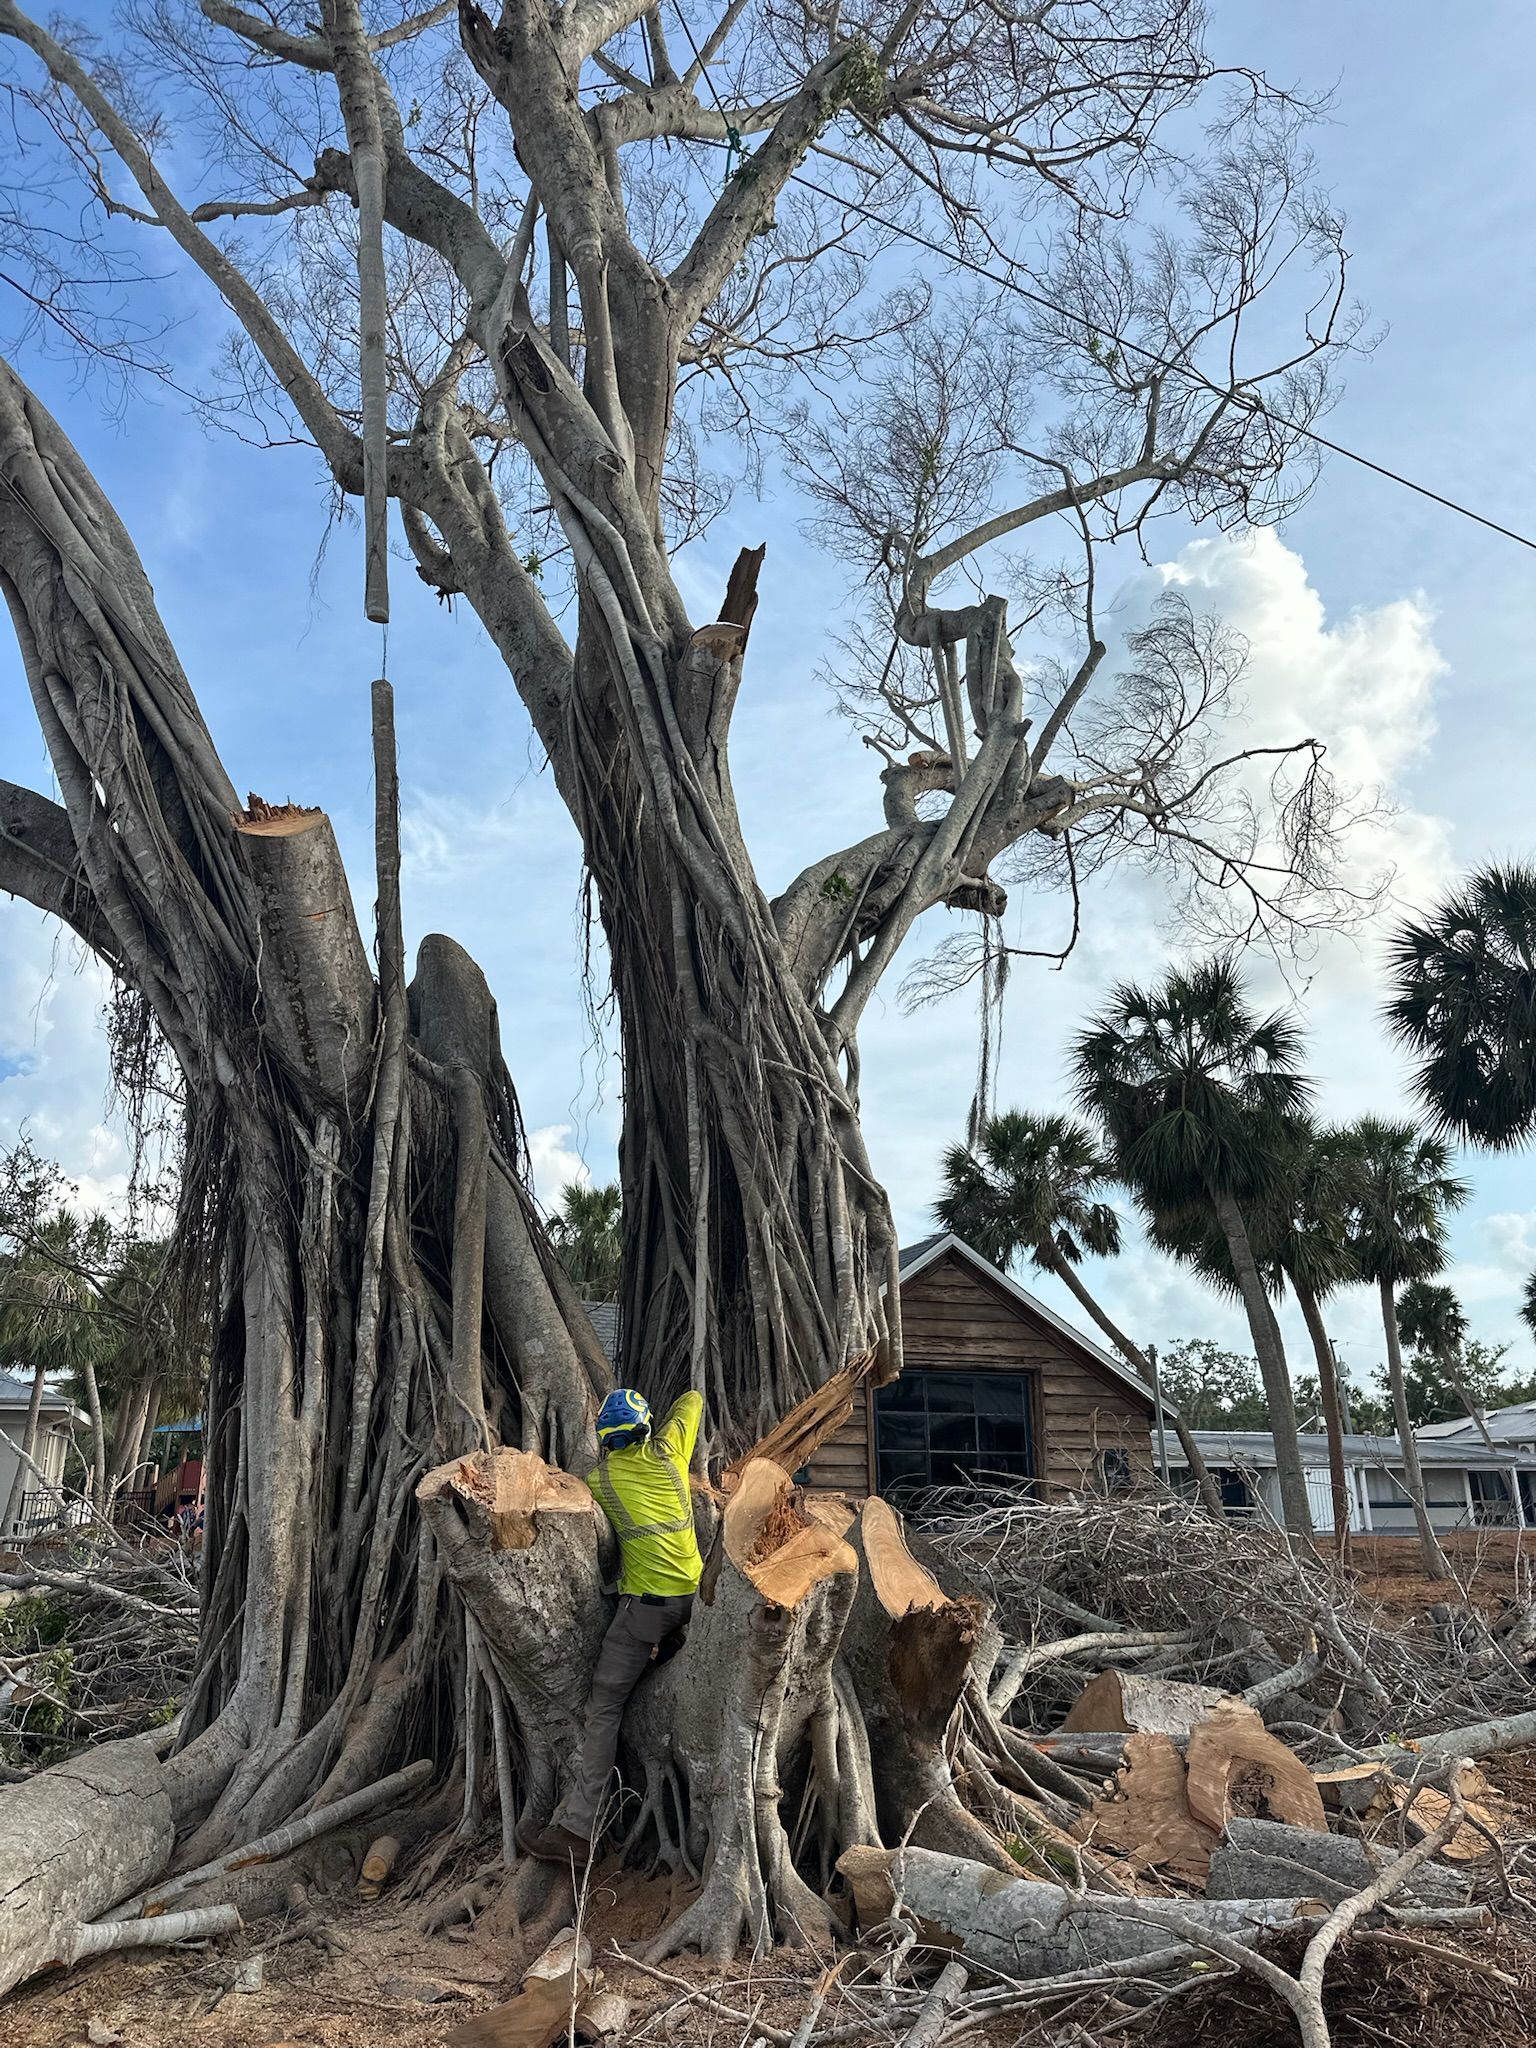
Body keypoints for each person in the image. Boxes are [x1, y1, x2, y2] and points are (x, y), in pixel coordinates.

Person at [517, 1385, 703, 1867]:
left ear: (604, 1440)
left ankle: (579, 1830)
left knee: (604, 1706)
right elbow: (694, 1399)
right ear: (646, 1427)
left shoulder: (599, 1481)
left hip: (646, 1610)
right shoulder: (669, 1452)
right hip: (696, 1601)